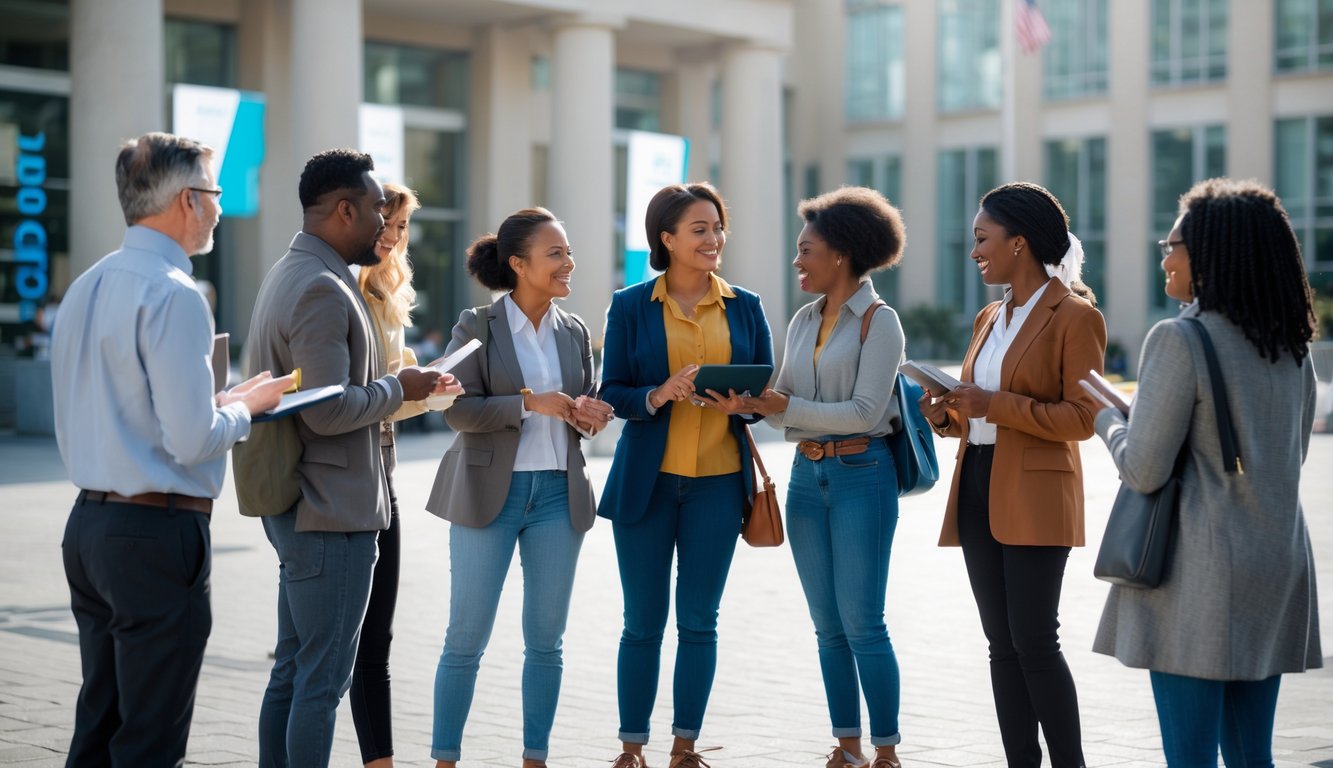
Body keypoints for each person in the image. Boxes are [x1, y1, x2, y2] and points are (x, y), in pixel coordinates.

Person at [51, 131, 293, 765]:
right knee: (151, 738)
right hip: (155, 533)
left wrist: (222, 403)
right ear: (188, 200)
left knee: (99, 723)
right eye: (214, 194)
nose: (218, 208)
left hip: (90, 525)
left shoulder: (87, 285)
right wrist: (245, 409)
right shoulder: (178, 293)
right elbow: (191, 442)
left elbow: (127, 412)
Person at [1085, 178, 1322, 766]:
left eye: (1172, 245)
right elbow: (1288, 458)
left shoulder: (1179, 338)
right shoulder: (1292, 349)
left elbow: (1142, 469)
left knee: (1189, 757)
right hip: (1277, 563)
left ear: (1209, 253)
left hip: (1199, 574)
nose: (1164, 257)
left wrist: (1106, 420)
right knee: (1251, 756)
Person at [240, 148, 449, 768]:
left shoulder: (294, 269)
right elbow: (325, 411)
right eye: (377, 211)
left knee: (293, 671)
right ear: (343, 210)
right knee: (320, 682)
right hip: (329, 511)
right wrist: (399, 388)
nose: (384, 224)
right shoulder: (322, 288)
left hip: (309, 506)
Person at [918, 182, 1104, 768]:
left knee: (1035, 642)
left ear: (1018, 243)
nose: (973, 251)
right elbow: (976, 408)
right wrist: (946, 414)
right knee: (1001, 645)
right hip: (978, 481)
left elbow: (1082, 418)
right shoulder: (990, 315)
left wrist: (990, 405)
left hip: (1038, 493)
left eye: (982, 239)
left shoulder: (1076, 316)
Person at [425, 207, 613, 768]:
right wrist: (529, 403)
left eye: (568, 252)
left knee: (546, 641)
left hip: (559, 495)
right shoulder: (477, 326)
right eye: (555, 253)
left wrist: (589, 414)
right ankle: (445, 760)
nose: (568, 263)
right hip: (490, 496)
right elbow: (454, 410)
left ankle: (535, 758)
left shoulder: (574, 331)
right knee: (466, 638)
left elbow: (583, 406)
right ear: (518, 264)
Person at [598, 182, 774, 768]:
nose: (713, 239)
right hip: (646, 485)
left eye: (717, 228)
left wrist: (741, 405)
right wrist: (657, 393)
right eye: (699, 229)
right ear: (666, 239)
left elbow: (763, 392)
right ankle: (630, 749)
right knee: (641, 623)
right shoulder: (629, 305)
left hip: (719, 487)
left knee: (700, 620)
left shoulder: (745, 305)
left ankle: (684, 746)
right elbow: (613, 392)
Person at [743, 187, 908, 768]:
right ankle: (847, 747)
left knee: (863, 621)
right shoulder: (803, 319)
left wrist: (778, 409)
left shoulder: (880, 323)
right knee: (827, 625)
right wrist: (745, 403)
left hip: (864, 472)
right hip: (805, 479)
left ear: (839, 254)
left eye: (805, 250)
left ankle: (885, 751)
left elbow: (865, 412)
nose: (797, 262)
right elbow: (784, 394)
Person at [351, 182, 461, 768]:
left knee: (377, 641)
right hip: (348, 478)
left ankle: (381, 761)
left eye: (400, 229)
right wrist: (419, 391)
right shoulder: (346, 293)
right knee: (345, 647)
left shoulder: (389, 297)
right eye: (385, 224)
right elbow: (359, 398)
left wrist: (432, 389)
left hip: (383, 472)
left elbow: (392, 393)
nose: (392, 238)